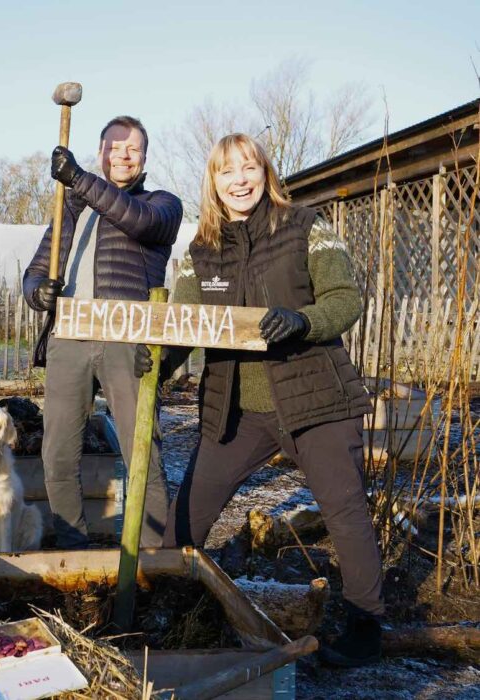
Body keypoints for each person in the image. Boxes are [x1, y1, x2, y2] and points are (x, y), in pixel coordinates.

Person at [136, 133, 383, 667]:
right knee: (190, 513)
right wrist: (157, 362)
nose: (240, 180)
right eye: (228, 172)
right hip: (236, 409)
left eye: (248, 167)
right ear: (214, 182)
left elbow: (346, 299)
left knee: (344, 511)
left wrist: (303, 321)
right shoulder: (201, 249)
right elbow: (183, 326)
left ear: (264, 173)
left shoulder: (305, 228)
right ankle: (164, 604)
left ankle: (366, 625)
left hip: (313, 398)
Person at [23, 116, 182, 548]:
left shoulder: (161, 204)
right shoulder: (70, 209)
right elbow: (36, 270)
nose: (123, 155)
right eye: (114, 147)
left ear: (145, 156)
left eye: (132, 148)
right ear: (102, 153)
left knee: (142, 453)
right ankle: (73, 548)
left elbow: (141, 223)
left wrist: (78, 178)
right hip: (69, 338)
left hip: (126, 340)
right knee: (57, 455)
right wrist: (40, 293)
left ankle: (149, 555)